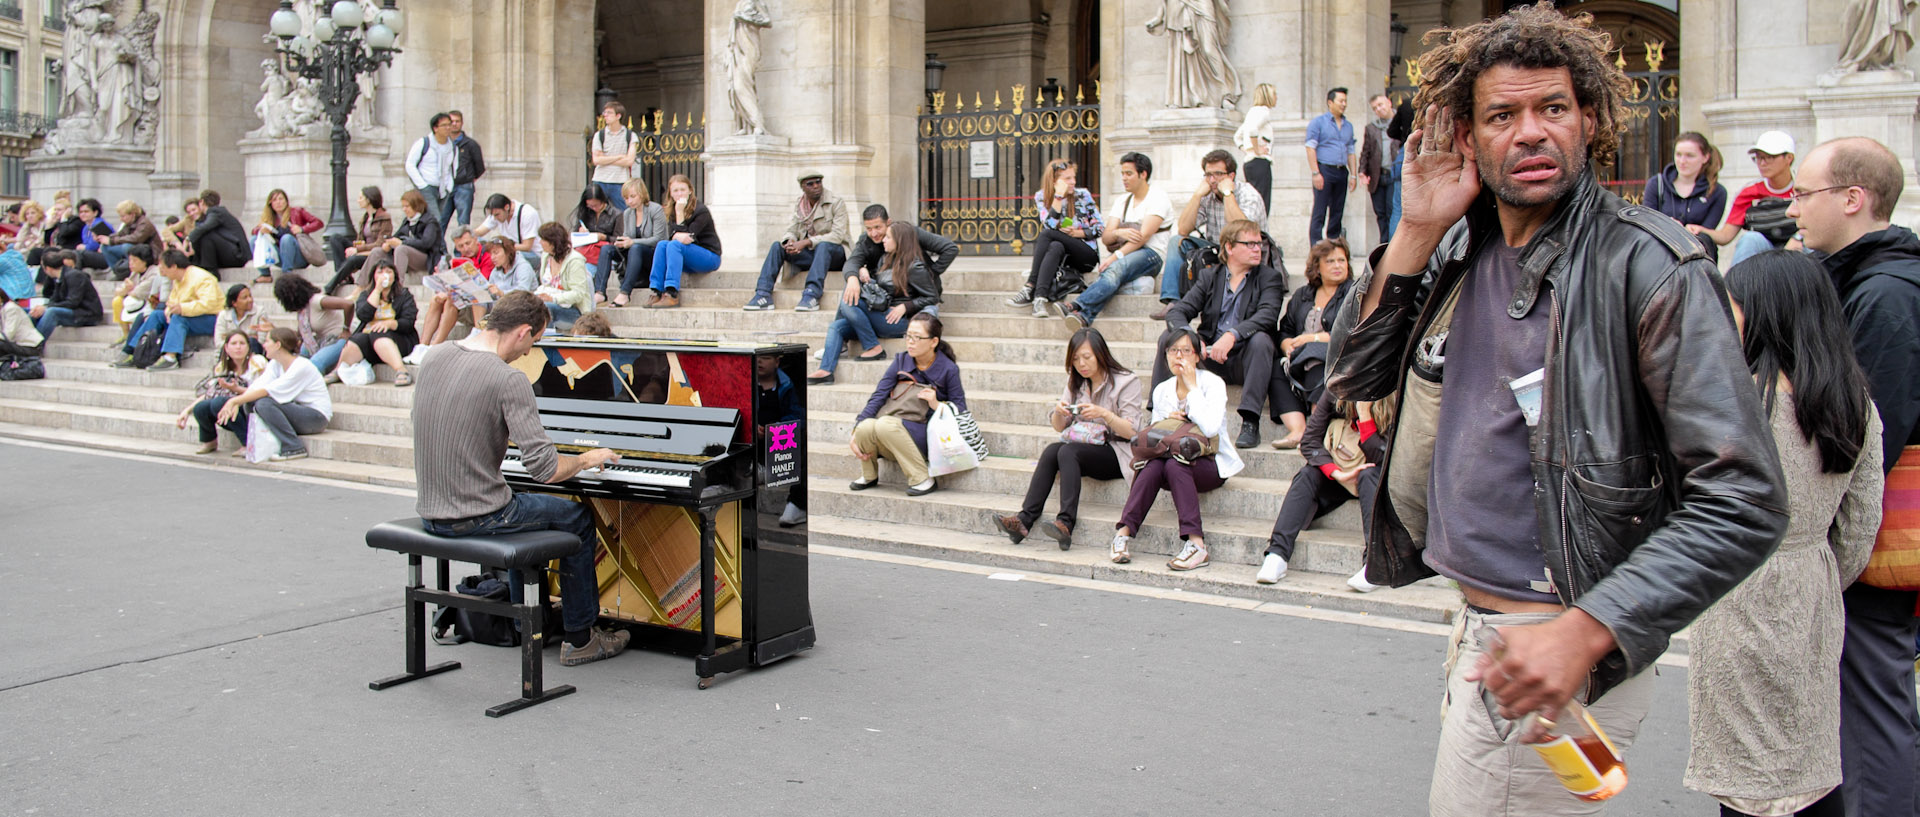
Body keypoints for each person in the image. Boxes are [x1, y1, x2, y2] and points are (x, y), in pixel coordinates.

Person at [1324, 7, 1788, 814]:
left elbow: (1746, 498)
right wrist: (1418, 228)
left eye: (1554, 109)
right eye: (1502, 115)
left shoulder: (1651, 266)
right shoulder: (1463, 245)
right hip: (1489, 630)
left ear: (1592, 119)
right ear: (1467, 136)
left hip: (1555, 637)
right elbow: (1355, 375)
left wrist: (1588, 629)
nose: (1530, 132)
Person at [1685, 250, 1885, 817]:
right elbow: (1859, 527)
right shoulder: (1853, 404)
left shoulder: (1730, 401)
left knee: (1746, 776)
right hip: (1812, 587)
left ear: (1762, 313)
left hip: (1737, 585)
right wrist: (1815, 568)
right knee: (1810, 760)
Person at [1784, 135, 1920, 817]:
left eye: (1805, 192)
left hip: (1872, 537)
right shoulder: (1863, 278)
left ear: (1853, 198)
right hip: (1862, 532)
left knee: (1869, 700)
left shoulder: (1886, 293)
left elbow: (1868, 435)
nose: (1793, 204)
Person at [412, 289, 631, 666]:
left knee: (519, 505)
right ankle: (581, 638)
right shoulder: (507, 378)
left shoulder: (436, 354)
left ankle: (528, 622)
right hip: (477, 516)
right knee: (577, 518)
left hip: (431, 510)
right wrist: (585, 458)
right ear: (523, 332)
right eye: (535, 341)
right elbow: (545, 470)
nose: (530, 352)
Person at [992, 327, 1145, 550]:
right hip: (1085, 448)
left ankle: (1065, 523)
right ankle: (1023, 521)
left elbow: (1132, 432)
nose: (1081, 364)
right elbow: (1059, 427)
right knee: (1053, 450)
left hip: (1117, 451)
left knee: (1067, 450)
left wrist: (1104, 414)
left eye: (1086, 357)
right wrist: (1058, 412)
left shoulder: (1126, 381)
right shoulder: (1076, 381)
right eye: (1075, 359)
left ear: (1101, 354)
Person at [1109, 326, 1245, 570]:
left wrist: (1192, 390)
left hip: (1210, 463)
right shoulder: (1163, 390)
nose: (1179, 356)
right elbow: (1156, 441)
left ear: (1197, 355)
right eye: (1173, 351)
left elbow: (1212, 428)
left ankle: (1196, 545)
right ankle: (1123, 533)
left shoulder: (1212, 383)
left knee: (1174, 463)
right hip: (1172, 462)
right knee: (1154, 465)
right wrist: (1166, 423)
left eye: (1185, 350)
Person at [1153, 218, 1283, 449]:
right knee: (1169, 339)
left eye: (1259, 244)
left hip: (1246, 359)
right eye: (1250, 244)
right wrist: (1191, 340)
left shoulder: (1269, 278)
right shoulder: (1210, 276)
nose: (1258, 249)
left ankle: (1250, 421)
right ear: (1229, 247)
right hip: (1209, 359)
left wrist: (1232, 335)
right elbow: (1179, 311)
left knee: (1262, 340)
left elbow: (1268, 315)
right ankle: (1159, 414)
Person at [1257, 392, 1383, 585]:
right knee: (1307, 474)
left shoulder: (1396, 394)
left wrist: (1365, 416)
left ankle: (1374, 565)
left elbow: (1386, 458)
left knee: (1368, 475)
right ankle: (1277, 554)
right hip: (1343, 472)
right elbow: (1309, 441)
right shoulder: (1337, 389)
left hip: (1378, 476)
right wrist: (1337, 473)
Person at [806, 221, 941, 385]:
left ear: (899, 240)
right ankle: (826, 370)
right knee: (837, 326)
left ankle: (873, 347)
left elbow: (932, 297)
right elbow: (882, 285)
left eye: (888, 237)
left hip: (896, 321)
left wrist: (905, 307)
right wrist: (865, 273)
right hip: (879, 314)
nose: (883, 240)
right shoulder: (885, 259)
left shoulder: (915, 267)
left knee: (848, 301)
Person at [847, 312, 965, 498]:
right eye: (908, 336)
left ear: (933, 342)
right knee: (866, 426)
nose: (910, 342)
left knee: (886, 424)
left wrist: (936, 403)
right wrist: (856, 430)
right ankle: (869, 475)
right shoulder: (901, 360)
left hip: (926, 437)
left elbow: (961, 409)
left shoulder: (948, 369)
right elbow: (879, 395)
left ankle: (922, 478)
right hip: (892, 434)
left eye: (917, 338)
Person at [1061, 152, 1172, 329]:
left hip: (1151, 255)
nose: (1124, 178)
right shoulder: (1122, 200)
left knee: (1115, 268)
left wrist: (1114, 257)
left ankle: (1077, 306)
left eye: (1129, 174)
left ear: (1143, 174)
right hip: (1126, 254)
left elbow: (1142, 237)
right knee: (1114, 272)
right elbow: (1106, 237)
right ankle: (1083, 317)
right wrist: (1120, 232)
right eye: (1122, 174)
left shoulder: (1158, 198)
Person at [1154, 149, 1267, 318]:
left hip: (1246, 249)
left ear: (1231, 175)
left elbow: (1242, 231)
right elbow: (1183, 228)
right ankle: (1174, 301)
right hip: (1217, 248)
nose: (1212, 180)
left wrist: (1228, 194)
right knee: (1177, 241)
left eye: (1218, 174)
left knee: (1238, 242)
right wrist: (1197, 195)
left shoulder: (1248, 194)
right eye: (1208, 175)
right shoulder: (1208, 196)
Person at [1270, 238, 1352, 449]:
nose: (1337, 266)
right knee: (1276, 368)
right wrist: (1288, 344)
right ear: (1317, 267)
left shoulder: (1353, 294)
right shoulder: (1303, 295)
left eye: (1342, 260)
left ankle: (1317, 429)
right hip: (1299, 360)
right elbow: (1285, 329)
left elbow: (1353, 330)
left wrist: (1311, 338)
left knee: (1316, 358)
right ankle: (1299, 430)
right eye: (1331, 261)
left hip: (1333, 360)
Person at [215, 327, 333, 462]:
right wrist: (239, 400)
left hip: (316, 418)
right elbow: (257, 386)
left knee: (264, 403)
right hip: (296, 410)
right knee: (252, 401)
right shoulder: (275, 364)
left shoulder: (301, 366)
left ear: (278, 345)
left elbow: (268, 391)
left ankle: (293, 446)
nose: (263, 345)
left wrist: (234, 401)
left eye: (267, 341)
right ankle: (257, 443)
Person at [1007, 159, 1105, 319]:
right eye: (1067, 179)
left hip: (1086, 254)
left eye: (1073, 177)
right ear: (1054, 181)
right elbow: (1051, 224)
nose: (1073, 182)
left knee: (1047, 235)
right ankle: (1039, 298)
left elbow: (1100, 228)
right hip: (1063, 257)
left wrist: (1079, 233)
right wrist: (1058, 197)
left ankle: (1030, 286)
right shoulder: (1042, 197)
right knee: (1055, 245)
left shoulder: (1083, 195)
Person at [745, 170, 850, 313]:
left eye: (818, 182)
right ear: (802, 187)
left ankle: (812, 294)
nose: (815, 186)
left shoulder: (836, 202)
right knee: (778, 246)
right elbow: (792, 229)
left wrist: (807, 242)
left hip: (835, 254)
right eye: (810, 184)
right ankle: (763, 294)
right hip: (813, 255)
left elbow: (837, 236)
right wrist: (791, 241)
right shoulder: (800, 205)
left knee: (824, 246)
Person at [825, 204, 959, 315]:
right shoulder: (866, 240)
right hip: (888, 291)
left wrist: (930, 273)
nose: (874, 234)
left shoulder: (908, 233)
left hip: (918, 292)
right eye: (869, 229)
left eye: (878, 227)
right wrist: (853, 277)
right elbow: (853, 261)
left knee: (929, 313)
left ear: (888, 222)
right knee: (850, 287)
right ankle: (844, 334)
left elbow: (950, 248)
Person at [1696, 130, 1797, 265]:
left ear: (1788, 158)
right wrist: (1700, 230)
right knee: (1750, 239)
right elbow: (1726, 235)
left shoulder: (1804, 188)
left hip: (1799, 246)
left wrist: (1799, 238)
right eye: (1758, 157)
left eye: (1769, 157)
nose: (1762, 163)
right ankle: (1735, 286)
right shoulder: (1749, 192)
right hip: (1763, 252)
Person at [115, 249, 223, 371]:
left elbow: (209, 304)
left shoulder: (202, 278)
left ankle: (170, 357)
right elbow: (171, 302)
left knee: (178, 317)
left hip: (210, 318)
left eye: (164, 268)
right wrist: (169, 311)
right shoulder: (178, 279)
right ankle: (135, 350)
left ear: (174, 267)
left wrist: (181, 308)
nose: (163, 272)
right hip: (189, 315)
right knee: (156, 314)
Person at [410, 226, 498, 356]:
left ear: (476, 240)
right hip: (467, 303)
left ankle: (435, 346)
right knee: (436, 300)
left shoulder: (487, 256)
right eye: (461, 246)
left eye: (468, 243)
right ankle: (423, 345)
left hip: (483, 305)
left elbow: (480, 286)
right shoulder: (460, 260)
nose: (465, 248)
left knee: (452, 299)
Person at [176, 330, 268, 454]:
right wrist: (187, 410)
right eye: (234, 344)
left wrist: (236, 389)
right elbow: (210, 393)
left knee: (219, 403)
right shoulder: (222, 367)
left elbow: (263, 392)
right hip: (228, 408)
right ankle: (209, 441)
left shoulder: (258, 363)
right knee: (201, 407)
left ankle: (247, 443)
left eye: (242, 343)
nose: (238, 347)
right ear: (226, 348)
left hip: (251, 406)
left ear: (248, 347)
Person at [644, 174, 721, 309]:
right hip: (687, 256)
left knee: (674, 245)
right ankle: (656, 290)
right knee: (662, 245)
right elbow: (671, 237)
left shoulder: (701, 210)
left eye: (683, 189)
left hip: (709, 257)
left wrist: (680, 213)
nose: (679, 194)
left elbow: (687, 238)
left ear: (690, 190)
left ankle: (672, 293)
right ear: (670, 194)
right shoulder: (670, 211)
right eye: (675, 190)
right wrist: (677, 223)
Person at [337, 260, 420, 386]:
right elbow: (363, 315)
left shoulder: (404, 295)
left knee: (378, 333)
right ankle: (338, 370)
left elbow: (408, 322)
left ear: (395, 276)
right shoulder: (366, 295)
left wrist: (389, 324)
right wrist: (377, 291)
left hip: (399, 340)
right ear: (374, 276)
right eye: (380, 272)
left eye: (388, 272)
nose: (384, 275)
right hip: (371, 341)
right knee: (357, 339)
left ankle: (401, 370)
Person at [1304, 86, 1358, 245]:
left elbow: (1351, 151)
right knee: (1319, 211)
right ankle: (1316, 246)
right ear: (1330, 102)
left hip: (1342, 172)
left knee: (1337, 211)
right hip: (1324, 170)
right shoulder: (1318, 123)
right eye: (1340, 101)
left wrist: (1353, 174)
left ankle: (1333, 244)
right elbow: (1310, 147)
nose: (1344, 104)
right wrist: (1315, 173)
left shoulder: (1348, 126)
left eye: (1345, 101)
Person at [271, 274, 354, 377]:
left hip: (337, 339)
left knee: (312, 366)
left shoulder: (317, 300)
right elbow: (301, 334)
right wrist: (273, 329)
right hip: (320, 341)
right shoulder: (303, 310)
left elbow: (348, 304)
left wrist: (345, 329)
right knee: (298, 359)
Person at [609, 178, 670, 307]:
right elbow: (628, 235)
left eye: (632, 196)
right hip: (635, 254)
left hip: (654, 255)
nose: (629, 201)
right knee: (606, 250)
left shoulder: (655, 209)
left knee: (636, 247)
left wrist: (632, 242)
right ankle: (600, 292)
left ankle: (625, 293)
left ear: (641, 194)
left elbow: (659, 239)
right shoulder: (627, 213)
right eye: (626, 198)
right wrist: (622, 241)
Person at [326, 186, 394, 295]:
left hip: (373, 255)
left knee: (352, 260)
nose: (358, 200)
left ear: (369, 199)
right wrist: (356, 247)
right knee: (335, 238)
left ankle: (329, 287)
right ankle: (344, 277)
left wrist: (358, 250)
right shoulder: (365, 218)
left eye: (361, 198)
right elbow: (360, 240)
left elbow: (380, 244)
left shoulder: (384, 218)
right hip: (363, 250)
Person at [366, 189, 443, 278]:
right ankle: (364, 286)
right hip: (408, 258)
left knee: (401, 249)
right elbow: (396, 236)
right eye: (403, 206)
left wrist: (402, 243)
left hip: (428, 258)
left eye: (407, 206)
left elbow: (426, 243)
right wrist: (388, 243)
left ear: (416, 206)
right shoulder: (407, 221)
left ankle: (397, 285)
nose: (404, 209)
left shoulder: (430, 221)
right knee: (377, 251)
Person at [250, 188, 324, 282]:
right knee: (254, 240)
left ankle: (286, 274)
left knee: (286, 238)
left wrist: (302, 229)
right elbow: (254, 231)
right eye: (275, 200)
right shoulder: (269, 218)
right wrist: (261, 231)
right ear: (270, 204)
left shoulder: (296, 211)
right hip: (280, 257)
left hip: (299, 257)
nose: (278, 202)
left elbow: (318, 222)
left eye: (281, 199)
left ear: (286, 201)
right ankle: (265, 274)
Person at [31, 251, 104, 342]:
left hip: (87, 314)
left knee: (52, 312)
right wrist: (42, 308)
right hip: (74, 311)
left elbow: (72, 302)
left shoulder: (75, 275)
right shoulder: (59, 277)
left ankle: (35, 344)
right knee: (34, 311)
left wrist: (46, 308)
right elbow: (54, 299)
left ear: (48, 268)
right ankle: (25, 343)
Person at [1358, 93, 1402, 240]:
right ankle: (1383, 245)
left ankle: (1392, 244)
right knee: (1380, 214)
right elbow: (1366, 151)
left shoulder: (1400, 122)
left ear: (1389, 102)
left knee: (1392, 212)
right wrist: (1362, 172)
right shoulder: (1372, 128)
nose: (1379, 109)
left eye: (1380, 105)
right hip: (1377, 177)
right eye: (1375, 108)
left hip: (1394, 175)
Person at [567, 184, 621, 304]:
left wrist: (604, 237)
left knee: (586, 269)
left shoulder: (615, 214)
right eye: (590, 205)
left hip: (604, 251)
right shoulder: (587, 213)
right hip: (587, 250)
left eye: (596, 205)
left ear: (602, 201)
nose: (593, 208)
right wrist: (581, 232)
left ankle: (596, 292)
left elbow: (619, 238)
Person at [534, 221, 594, 329]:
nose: (540, 242)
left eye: (543, 239)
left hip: (575, 311)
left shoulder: (575, 260)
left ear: (553, 242)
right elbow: (545, 285)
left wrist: (553, 299)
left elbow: (578, 294)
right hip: (551, 302)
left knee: (544, 309)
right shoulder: (546, 256)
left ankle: (550, 344)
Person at [404, 112, 456, 225]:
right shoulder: (423, 143)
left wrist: (449, 186)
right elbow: (410, 164)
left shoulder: (451, 146)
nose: (448, 128)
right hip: (427, 187)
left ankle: (426, 241)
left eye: (449, 124)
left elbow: (452, 167)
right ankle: (440, 243)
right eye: (444, 125)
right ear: (435, 128)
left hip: (443, 189)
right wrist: (423, 185)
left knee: (431, 220)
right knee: (435, 220)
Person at [107, 245, 166, 342]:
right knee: (117, 301)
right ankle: (126, 334)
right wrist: (127, 290)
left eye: (135, 260)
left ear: (144, 261)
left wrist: (128, 290)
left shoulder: (154, 273)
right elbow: (118, 291)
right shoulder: (135, 273)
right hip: (136, 301)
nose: (131, 264)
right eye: (130, 260)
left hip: (150, 303)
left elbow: (138, 292)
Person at [184, 189, 252, 271]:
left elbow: (205, 227)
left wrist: (188, 239)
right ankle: (199, 266)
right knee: (202, 235)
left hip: (237, 256)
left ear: (201, 202)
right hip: (232, 254)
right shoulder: (214, 213)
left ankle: (210, 269)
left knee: (206, 235)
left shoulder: (216, 212)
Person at [1234, 83, 1277, 210]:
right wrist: (1257, 149)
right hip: (1260, 163)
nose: (1276, 97)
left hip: (1250, 163)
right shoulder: (1264, 112)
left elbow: (1237, 136)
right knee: (1262, 203)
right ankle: (1259, 230)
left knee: (1253, 202)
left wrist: (1248, 150)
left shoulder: (1251, 113)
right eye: (1274, 94)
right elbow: (1253, 130)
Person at [589, 101, 638, 210]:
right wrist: (620, 157)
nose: (605, 115)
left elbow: (629, 161)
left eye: (609, 113)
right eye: (605, 112)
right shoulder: (599, 135)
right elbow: (596, 160)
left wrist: (605, 158)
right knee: (595, 210)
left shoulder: (630, 135)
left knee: (625, 211)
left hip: (620, 180)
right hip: (600, 179)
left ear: (618, 116)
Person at [475, 193, 542, 272]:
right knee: (478, 243)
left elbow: (527, 246)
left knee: (498, 255)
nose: (495, 218)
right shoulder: (497, 214)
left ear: (507, 207)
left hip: (532, 255)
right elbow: (479, 232)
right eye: (493, 216)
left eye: (497, 215)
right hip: (509, 250)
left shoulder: (527, 213)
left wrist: (502, 247)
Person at [98, 200, 163, 278]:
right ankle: (119, 273)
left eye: (123, 216)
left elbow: (136, 238)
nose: (121, 219)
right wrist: (105, 239)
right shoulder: (128, 224)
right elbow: (119, 235)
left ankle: (132, 273)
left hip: (150, 253)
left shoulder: (144, 223)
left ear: (132, 214)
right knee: (106, 247)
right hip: (137, 250)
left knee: (128, 247)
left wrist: (112, 241)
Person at [447, 109, 485, 228]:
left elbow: (479, 166)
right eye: (451, 121)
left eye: (457, 121)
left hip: (464, 186)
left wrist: (469, 177)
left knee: (463, 222)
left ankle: (461, 247)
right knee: (440, 220)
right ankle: (440, 247)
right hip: (446, 186)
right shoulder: (443, 143)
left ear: (462, 123)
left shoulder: (471, 144)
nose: (454, 124)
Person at [213, 283, 273, 353]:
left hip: (252, 353)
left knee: (253, 342)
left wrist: (231, 339)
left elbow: (261, 341)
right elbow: (219, 342)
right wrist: (248, 337)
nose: (250, 300)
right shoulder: (223, 315)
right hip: (229, 355)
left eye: (250, 296)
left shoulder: (259, 312)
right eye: (245, 298)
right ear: (234, 303)